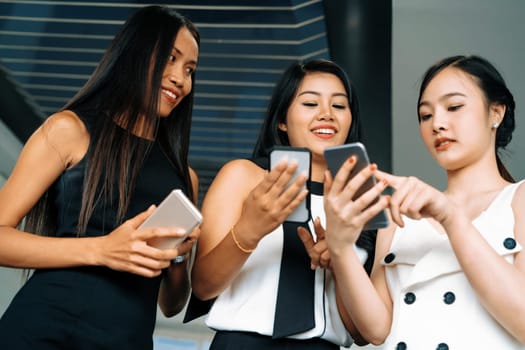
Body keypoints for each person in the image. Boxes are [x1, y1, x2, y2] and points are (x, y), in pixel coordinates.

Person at [0, 5, 200, 350]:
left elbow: (172, 303)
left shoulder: (185, 177)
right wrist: (103, 249)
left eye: (190, 69)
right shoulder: (69, 130)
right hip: (45, 331)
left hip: (128, 340)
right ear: (135, 53)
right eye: (170, 58)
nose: (180, 79)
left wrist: (179, 256)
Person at [324, 55, 525, 349]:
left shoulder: (518, 200)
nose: (437, 124)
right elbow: (377, 330)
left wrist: (451, 218)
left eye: (454, 107)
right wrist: (340, 249)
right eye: (425, 115)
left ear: (496, 113)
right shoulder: (397, 214)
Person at [187, 59, 386, 349]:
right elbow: (204, 287)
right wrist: (249, 230)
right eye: (310, 104)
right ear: (282, 119)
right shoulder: (244, 177)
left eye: (339, 106)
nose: (327, 114)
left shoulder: (362, 199)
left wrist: (340, 261)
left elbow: (360, 332)